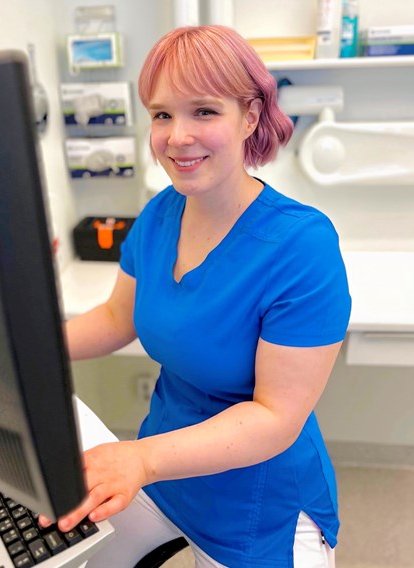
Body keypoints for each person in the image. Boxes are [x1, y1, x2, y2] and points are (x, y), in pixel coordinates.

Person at [41, 25, 351, 567]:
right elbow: (116, 317)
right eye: (162, 114)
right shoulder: (160, 215)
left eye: (204, 111)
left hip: (257, 494)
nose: (177, 136)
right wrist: (26, 353)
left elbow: (274, 417)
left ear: (250, 116)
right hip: (167, 467)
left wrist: (140, 459)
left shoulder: (302, 246)